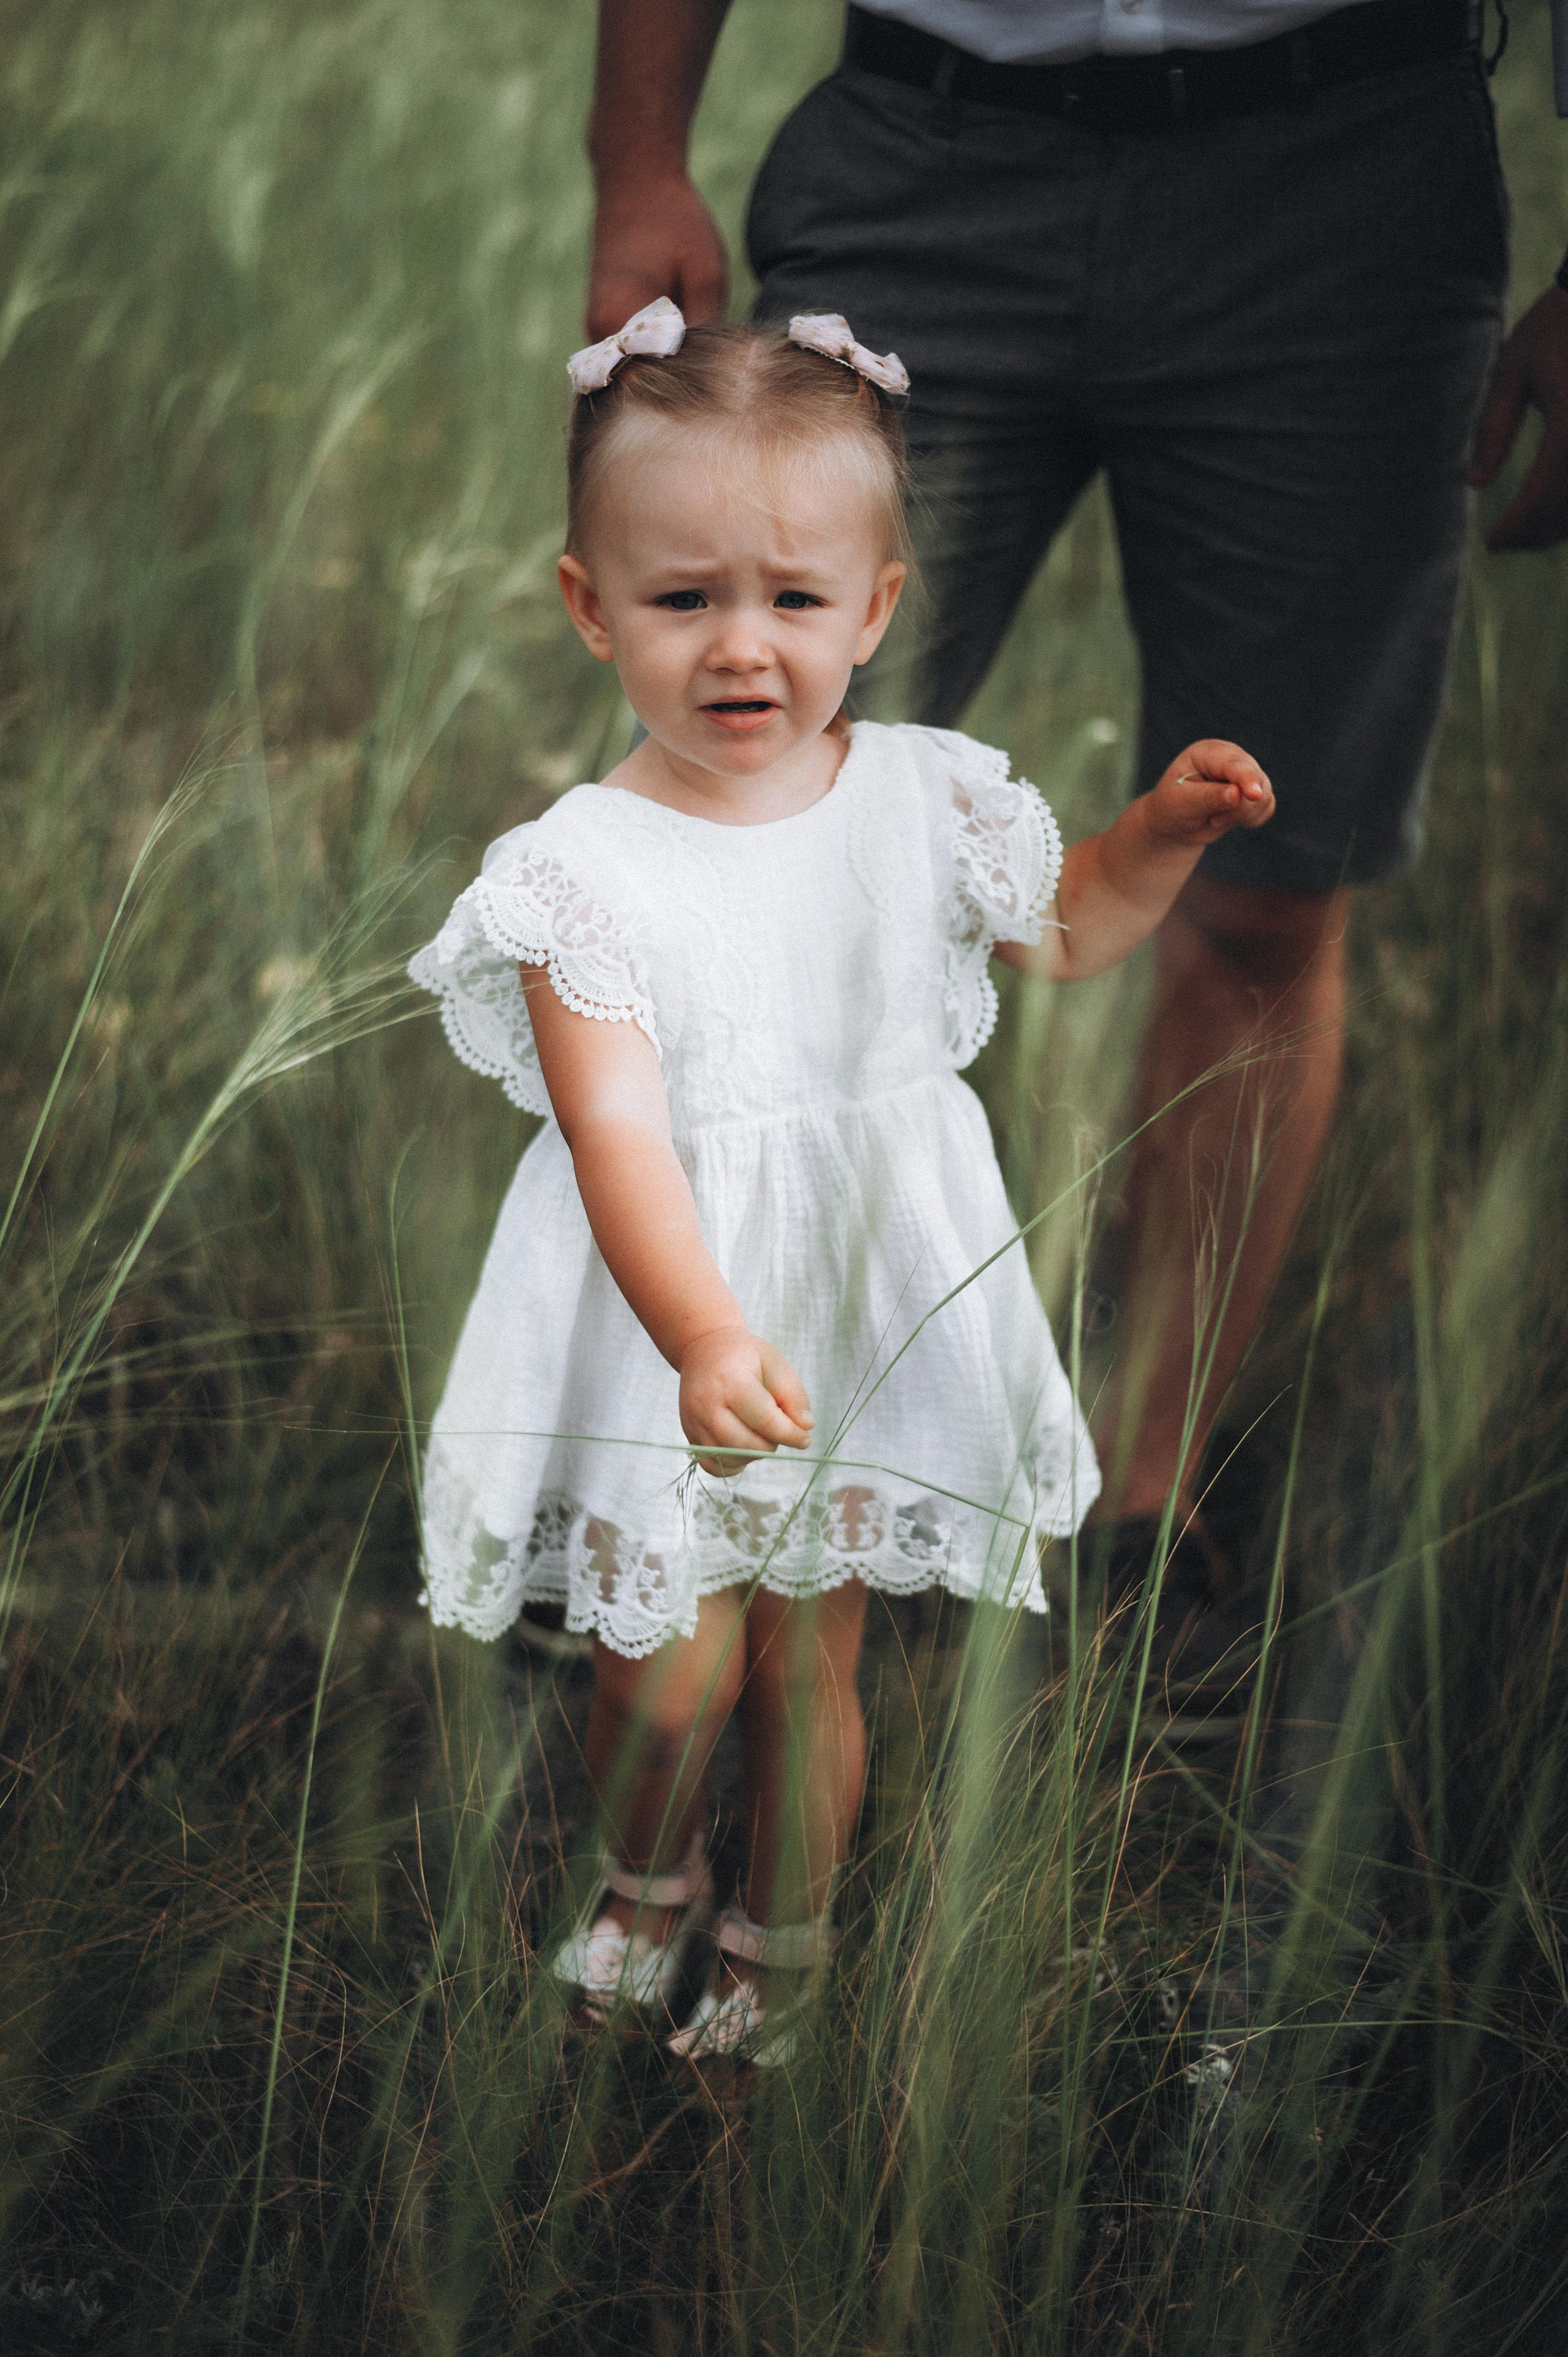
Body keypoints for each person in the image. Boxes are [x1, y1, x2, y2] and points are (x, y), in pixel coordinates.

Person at [581, 0, 1568, 1617]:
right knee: (737, 859)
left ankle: (1131, 1522)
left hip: (1348, 186)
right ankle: (685, 1491)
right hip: (922, 152)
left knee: (1263, 887)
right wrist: (638, 156)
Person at [408, 307, 1275, 2062]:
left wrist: (1159, 837)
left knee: (812, 1660)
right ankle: (647, 1879)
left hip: (863, 1286)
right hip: (672, 1319)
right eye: (683, 601)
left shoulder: (922, 802)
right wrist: (704, 1336)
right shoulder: (580, 871)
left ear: (874, 609)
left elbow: (1072, 923)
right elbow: (620, 1134)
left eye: (795, 601)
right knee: (669, 1671)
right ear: (592, 608)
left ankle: (775, 1942)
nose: (744, 648)